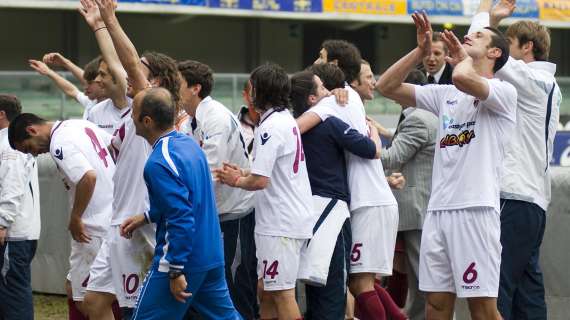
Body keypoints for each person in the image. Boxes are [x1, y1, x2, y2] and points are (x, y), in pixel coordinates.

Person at [377, 11, 517, 320]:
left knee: (483, 309)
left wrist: (459, 58)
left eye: (479, 36)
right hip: (438, 212)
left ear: (495, 53)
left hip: (476, 212)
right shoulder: (446, 95)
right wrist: (420, 51)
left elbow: (464, 78)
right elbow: (385, 86)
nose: (471, 36)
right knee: (436, 305)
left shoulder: (504, 92)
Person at [469, 1, 562, 319]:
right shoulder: (545, 84)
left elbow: (478, 47)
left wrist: (484, 13)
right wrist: (493, 20)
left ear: (527, 48)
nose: (500, 50)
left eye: (507, 44)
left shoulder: (531, 81)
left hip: (514, 197)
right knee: (528, 295)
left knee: (496, 290)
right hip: (532, 202)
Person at [298, 40, 401, 320]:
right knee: (361, 280)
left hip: (367, 201)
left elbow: (294, 129)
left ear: (333, 65)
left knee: (359, 282)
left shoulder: (333, 102)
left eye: (321, 57)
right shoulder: (343, 98)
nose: (316, 61)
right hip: (369, 198)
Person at [120, 88, 240, 319]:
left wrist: (175, 269)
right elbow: (190, 199)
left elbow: (181, 216)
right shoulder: (189, 144)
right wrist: (146, 217)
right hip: (211, 253)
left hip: (184, 259)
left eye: (133, 112)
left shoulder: (158, 162)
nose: (130, 116)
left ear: (147, 121)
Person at [215, 63, 315, 320]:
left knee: (282, 293)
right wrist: (243, 173)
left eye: (249, 88)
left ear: (259, 92)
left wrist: (236, 179)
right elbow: (267, 172)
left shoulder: (270, 127)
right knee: (266, 290)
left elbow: (260, 181)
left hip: (280, 223)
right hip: (288, 218)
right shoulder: (283, 120)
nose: (246, 94)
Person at [290, 69, 382, 320]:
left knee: (309, 290)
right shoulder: (329, 122)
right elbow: (370, 150)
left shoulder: (287, 129)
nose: (328, 92)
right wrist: (371, 129)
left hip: (301, 213)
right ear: (311, 99)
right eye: (321, 88)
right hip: (331, 213)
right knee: (333, 290)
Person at [9, 112, 116, 318]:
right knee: (73, 289)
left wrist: (75, 217)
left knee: (90, 301)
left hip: (94, 227)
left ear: (32, 130)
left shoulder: (59, 144)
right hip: (110, 218)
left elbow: (88, 177)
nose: (35, 154)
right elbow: (115, 145)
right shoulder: (78, 124)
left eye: (30, 148)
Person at [178, 60, 258, 319]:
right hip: (209, 214)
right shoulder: (187, 121)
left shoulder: (217, 118)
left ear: (195, 88)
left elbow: (208, 172)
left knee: (234, 287)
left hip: (233, 214)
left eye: (177, 84)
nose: (171, 90)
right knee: (207, 290)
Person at [375, 69, 438, 320]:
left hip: (415, 209)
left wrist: (367, 140)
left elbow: (392, 158)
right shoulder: (428, 116)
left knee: (423, 278)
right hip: (421, 207)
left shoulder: (417, 119)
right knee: (419, 275)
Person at [0, 95, 40, 320]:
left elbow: (12, 185)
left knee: (13, 294)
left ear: (2, 114)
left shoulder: (9, 143)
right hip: (17, 234)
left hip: (13, 236)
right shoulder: (9, 140)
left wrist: (2, 222)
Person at [28, 55, 106, 119]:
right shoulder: (91, 102)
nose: (85, 87)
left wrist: (66, 63)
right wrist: (49, 72)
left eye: (89, 83)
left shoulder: (115, 105)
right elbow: (71, 90)